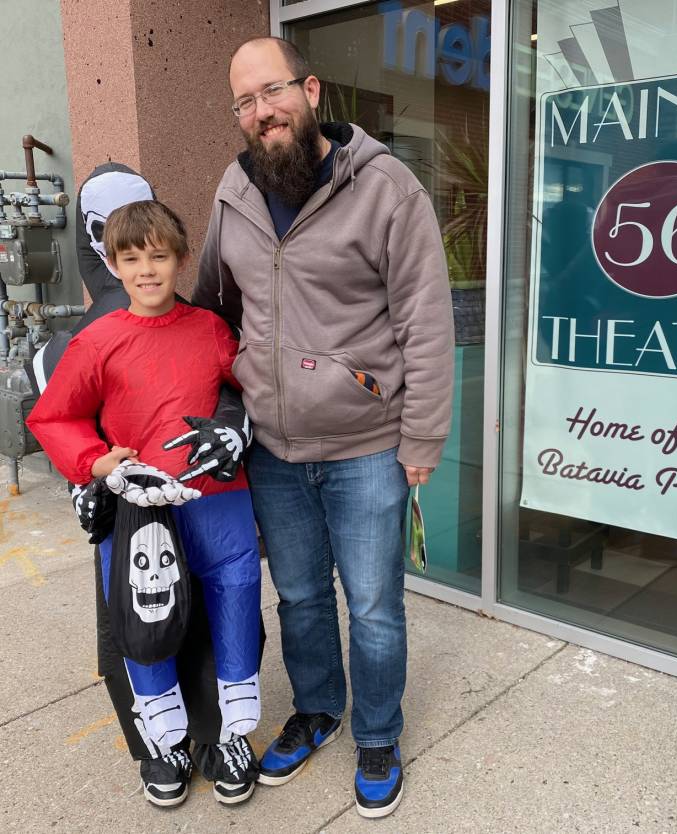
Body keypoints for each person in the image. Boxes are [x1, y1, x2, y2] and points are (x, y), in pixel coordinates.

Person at [192, 36, 454, 818]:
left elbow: (426, 323)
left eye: (272, 93)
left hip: (367, 443)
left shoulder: (385, 187)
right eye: (245, 102)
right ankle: (318, 709)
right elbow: (211, 310)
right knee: (301, 596)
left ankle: (377, 730)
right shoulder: (233, 193)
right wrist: (219, 411)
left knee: (373, 603)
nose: (261, 113)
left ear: (310, 91)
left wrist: (423, 439)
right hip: (273, 448)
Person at [27, 200, 263, 808]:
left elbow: (249, 390)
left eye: (159, 256)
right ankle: (163, 741)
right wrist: (99, 464)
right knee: (142, 614)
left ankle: (233, 735)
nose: (147, 270)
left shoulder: (210, 328)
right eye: (131, 258)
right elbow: (55, 416)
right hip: (137, 507)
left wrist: (234, 429)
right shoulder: (97, 340)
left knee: (236, 603)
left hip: (216, 500)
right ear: (112, 264)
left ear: (180, 258)